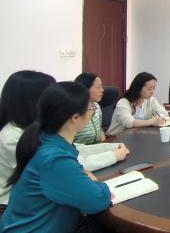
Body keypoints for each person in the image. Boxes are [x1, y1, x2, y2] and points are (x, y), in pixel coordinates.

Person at [0, 82, 112, 232]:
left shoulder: (43, 139)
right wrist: (98, 185)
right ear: (75, 117)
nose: (93, 110)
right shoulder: (54, 159)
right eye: (91, 106)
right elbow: (97, 200)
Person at [0, 71, 55, 206]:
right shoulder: (13, 137)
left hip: (31, 197)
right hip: (11, 205)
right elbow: (53, 170)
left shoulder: (31, 128)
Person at [73, 73, 105, 145]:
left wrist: (104, 145)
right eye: (98, 87)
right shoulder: (73, 110)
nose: (102, 90)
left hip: (96, 148)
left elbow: (100, 129)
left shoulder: (97, 106)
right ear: (85, 89)